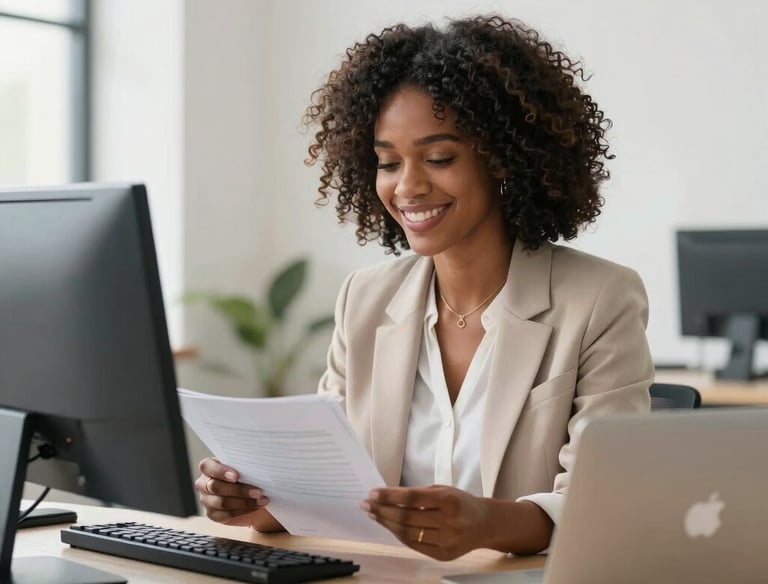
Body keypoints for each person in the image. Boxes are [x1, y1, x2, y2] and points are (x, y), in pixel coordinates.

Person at [195, 14, 653, 560]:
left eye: (439, 158)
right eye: (388, 162)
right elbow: (332, 486)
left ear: (503, 160)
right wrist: (257, 501)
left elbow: (605, 504)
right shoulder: (364, 300)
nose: (407, 186)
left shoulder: (601, 299)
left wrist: (490, 523)